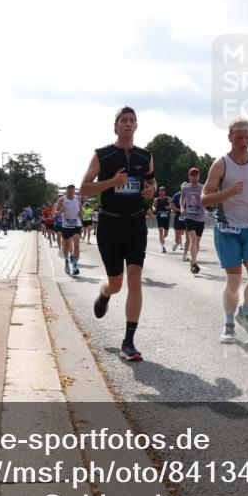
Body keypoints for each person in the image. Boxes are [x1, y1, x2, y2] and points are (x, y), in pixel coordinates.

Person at [80, 106, 156, 362]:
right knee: (117, 283)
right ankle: (104, 293)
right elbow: (84, 189)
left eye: (132, 120)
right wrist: (111, 183)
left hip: (135, 224)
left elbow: (151, 182)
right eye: (123, 120)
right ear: (116, 126)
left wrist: (150, 192)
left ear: (136, 126)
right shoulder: (103, 155)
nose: (128, 124)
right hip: (110, 226)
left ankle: (128, 342)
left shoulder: (145, 156)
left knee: (135, 280)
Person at [202, 118, 248, 343]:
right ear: (230, 137)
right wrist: (228, 192)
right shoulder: (221, 164)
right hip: (227, 230)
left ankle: (246, 313)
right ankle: (229, 324)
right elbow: (205, 199)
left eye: (247, 137)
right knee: (234, 280)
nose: (244, 141)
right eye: (239, 137)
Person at [181, 167, 207, 274]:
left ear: (199, 176)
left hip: (200, 217)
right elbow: (181, 198)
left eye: (196, 174)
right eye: (192, 175)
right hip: (189, 216)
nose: (194, 176)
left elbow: (207, 198)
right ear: (189, 176)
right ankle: (195, 263)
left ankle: (192, 261)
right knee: (192, 238)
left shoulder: (203, 187)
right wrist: (182, 207)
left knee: (197, 242)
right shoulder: (185, 188)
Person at [55, 184, 84, 276]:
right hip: (66, 225)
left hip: (76, 224)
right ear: (66, 191)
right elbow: (55, 212)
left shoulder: (78, 198)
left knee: (77, 244)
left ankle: (75, 265)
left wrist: (81, 213)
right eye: (69, 190)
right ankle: (67, 262)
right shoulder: (62, 200)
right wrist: (59, 212)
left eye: (73, 190)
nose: (71, 192)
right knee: (67, 245)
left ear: (74, 190)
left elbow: (80, 211)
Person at [152, 186, 172, 252]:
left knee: (165, 234)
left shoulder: (168, 198)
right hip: (159, 215)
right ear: (159, 192)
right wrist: (154, 209)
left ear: (165, 192)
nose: (161, 193)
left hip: (166, 216)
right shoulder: (156, 199)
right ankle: (163, 247)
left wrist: (169, 207)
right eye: (160, 191)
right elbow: (153, 206)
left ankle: (162, 239)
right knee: (160, 230)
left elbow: (171, 206)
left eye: (163, 191)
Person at [170, 189, 186, 253]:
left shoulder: (190, 194)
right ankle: (176, 242)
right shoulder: (176, 195)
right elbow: (171, 206)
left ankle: (186, 252)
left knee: (185, 233)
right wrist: (180, 210)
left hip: (187, 217)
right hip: (178, 216)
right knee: (178, 234)